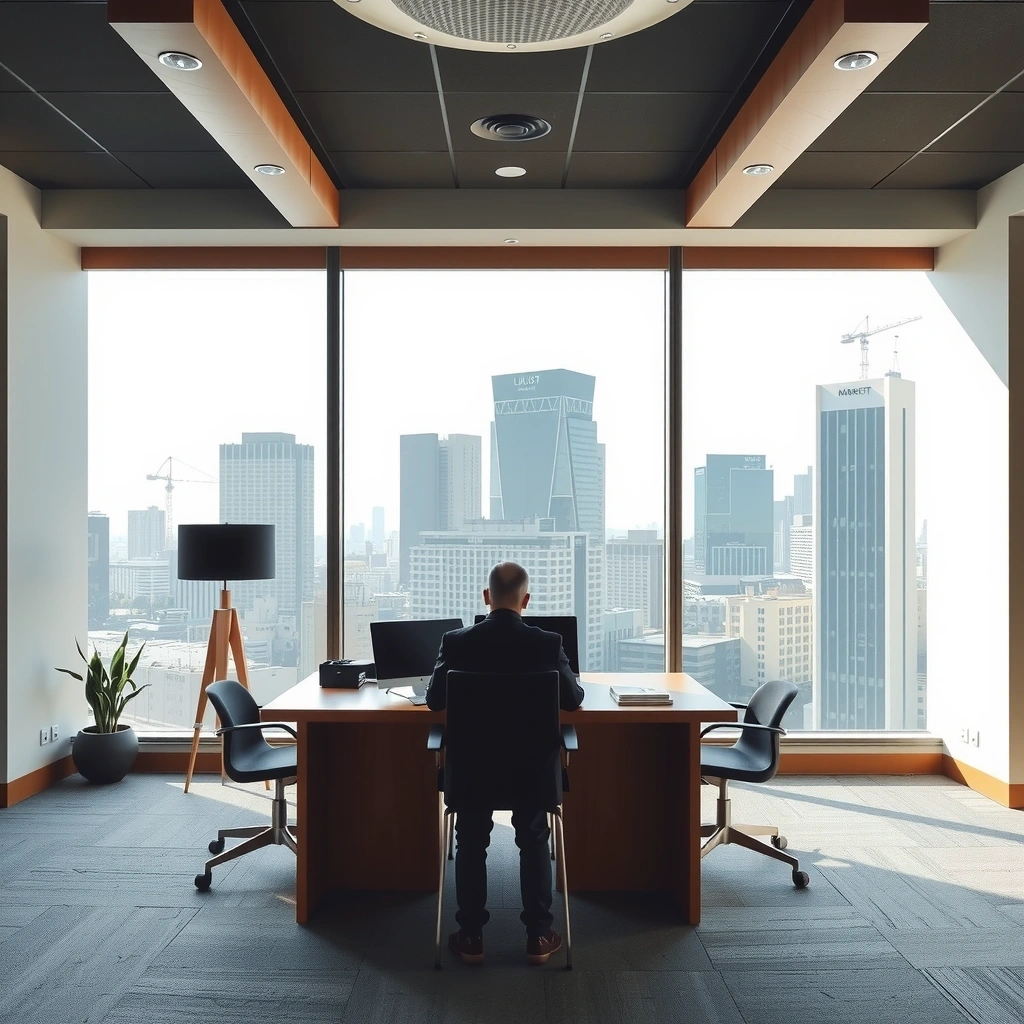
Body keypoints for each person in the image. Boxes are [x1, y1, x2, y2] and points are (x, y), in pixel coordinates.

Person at [426, 561, 585, 966]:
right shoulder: (548, 643)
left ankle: (471, 937)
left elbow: (434, 701)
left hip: (472, 772)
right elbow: (573, 699)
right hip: (532, 773)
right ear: (526, 601)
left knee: (471, 839)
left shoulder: (456, 641)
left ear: (486, 598)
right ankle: (538, 936)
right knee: (533, 836)